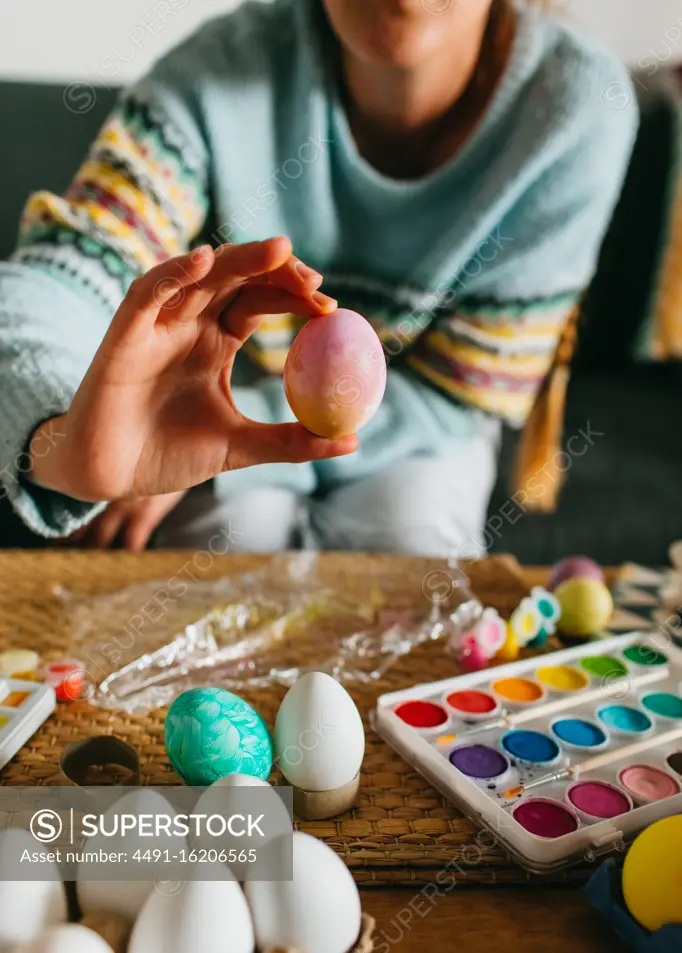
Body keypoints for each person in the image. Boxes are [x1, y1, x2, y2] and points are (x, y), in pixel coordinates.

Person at [0, 0, 637, 554]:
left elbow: (458, 393)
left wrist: (251, 430)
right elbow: (70, 268)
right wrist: (61, 434)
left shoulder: (577, 105)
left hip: (417, 431)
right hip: (224, 407)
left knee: (409, 532)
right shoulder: (210, 78)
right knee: (229, 536)